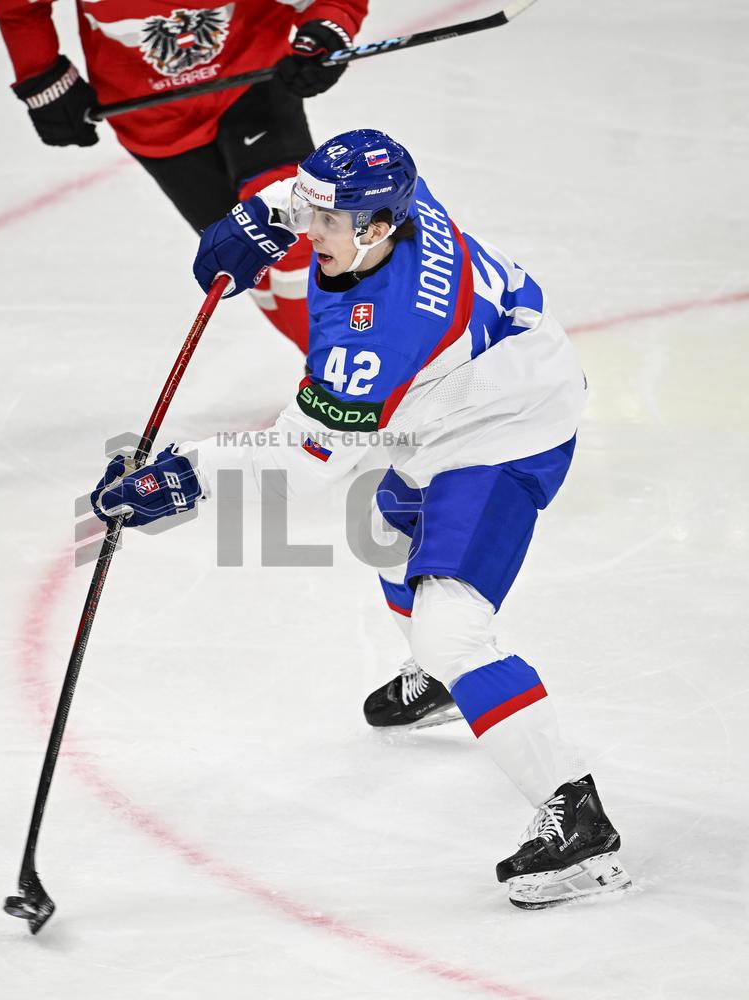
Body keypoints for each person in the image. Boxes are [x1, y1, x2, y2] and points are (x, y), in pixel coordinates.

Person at [89, 129, 631, 908]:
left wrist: (182, 477)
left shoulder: (381, 332)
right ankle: (443, 683)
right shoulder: (390, 205)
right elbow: (315, 199)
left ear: (377, 229)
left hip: (505, 428)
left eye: (323, 223)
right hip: (455, 398)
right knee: (384, 533)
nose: (310, 234)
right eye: (308, 210)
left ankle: (581, 826)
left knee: (454, 631)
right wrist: (262, 217)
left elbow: (301, 463)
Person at [0, 0, 368, 353]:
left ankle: (361, 380)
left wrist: (325, 32)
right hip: (152, 117)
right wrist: (41, 73)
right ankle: (337, 371)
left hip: (254, 85)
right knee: (245, 257)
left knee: (297, 236)